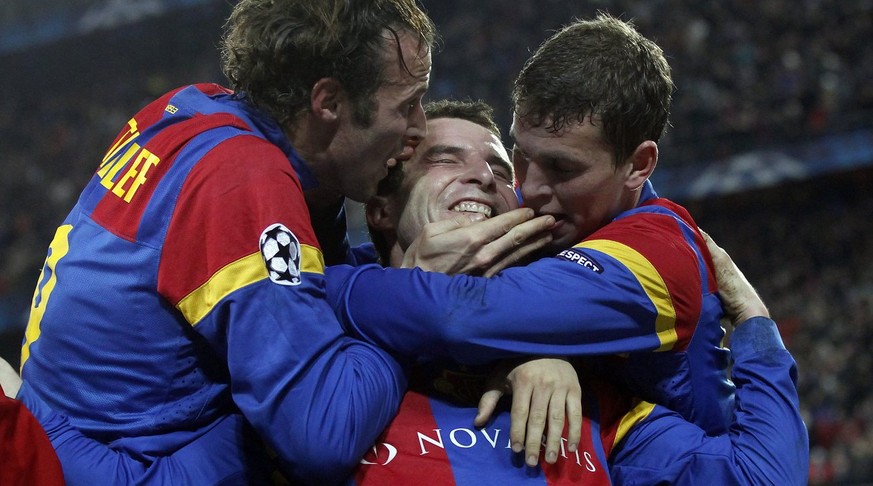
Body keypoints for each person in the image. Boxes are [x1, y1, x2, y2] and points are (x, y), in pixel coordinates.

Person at [0, 98, 807, 485]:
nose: (487, 179)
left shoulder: (584, 397)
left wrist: (757, 328)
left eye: (502, 173)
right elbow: (62, 456)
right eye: (448, 159)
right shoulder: (294, 383)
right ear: (380, 204)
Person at [12, 1, 551, 484]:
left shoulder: (196, 108)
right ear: (328, 101)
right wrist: (420, 294)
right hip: (121, 467)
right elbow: (320, 438)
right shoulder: (244, 179)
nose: (417, 129)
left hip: (65, 425)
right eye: (407, 104)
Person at [326, 14, 734, 465]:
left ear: (638, 165)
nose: (529, 188)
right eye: (519, 157)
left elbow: (461, 314)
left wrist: (310, 287)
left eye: (561, 168)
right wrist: (541, 352)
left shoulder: (657, 254)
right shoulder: (549, 219)